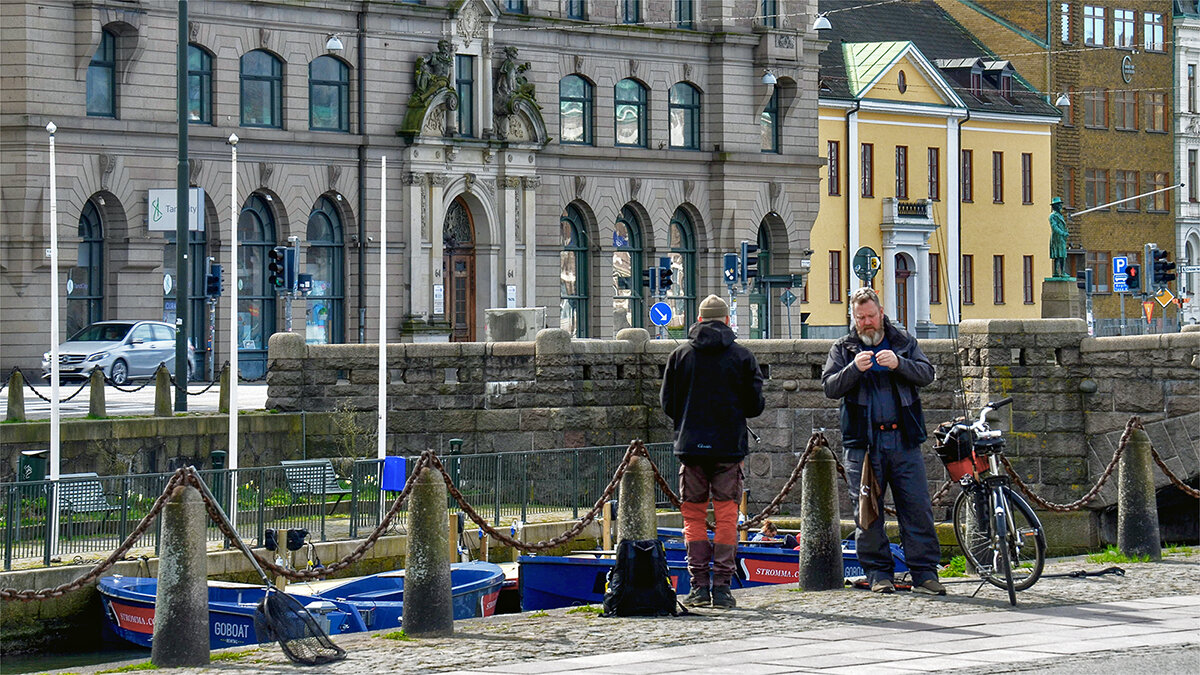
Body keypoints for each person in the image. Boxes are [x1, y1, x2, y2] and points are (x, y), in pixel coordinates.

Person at [821, 287, 945, 596]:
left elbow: (927, 374)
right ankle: (878, 573)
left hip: (903, 440)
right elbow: (830, 387)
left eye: (871, 316)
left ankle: (925, 573)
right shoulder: (843, 348)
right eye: (860, 317)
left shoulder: (903, 343)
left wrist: (899, 364)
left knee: (916, 506)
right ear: (854, 317)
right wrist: (853, 370)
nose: (866, 323)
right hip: (863, 444)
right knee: (867, 511)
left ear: (881, 313)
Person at [661, 294, 765, 609]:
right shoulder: (743, 357)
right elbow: (755, 406)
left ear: (700, 320)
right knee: (726, 517)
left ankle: (697, 586)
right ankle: (721, 588)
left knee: (692, 517)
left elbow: (668, 403)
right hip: (729, 448)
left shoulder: (680, 355)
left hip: (691, 447)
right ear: (727, 321)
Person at [1049, 196, 1069, 278]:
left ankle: (1061, 271)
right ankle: (1058, 272)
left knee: (1062, 255)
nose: (1060, 206)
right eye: (1058, 204)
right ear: (1055, 206)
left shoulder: (1060, 215)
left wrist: (1065, 232)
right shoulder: (1053, 216)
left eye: (1060, 204)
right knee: (1058, 255)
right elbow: (1054, 227)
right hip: (1057, 238)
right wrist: (1062, 233)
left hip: (1061, 238)